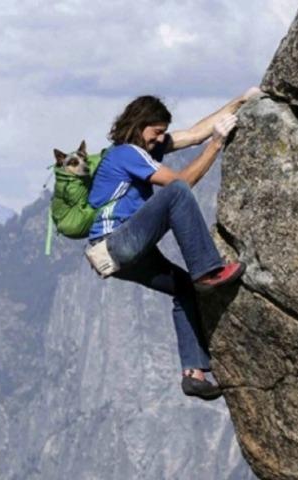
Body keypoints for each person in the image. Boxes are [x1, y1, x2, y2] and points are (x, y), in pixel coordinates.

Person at [87, 87, 260, 400]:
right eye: (156, 132)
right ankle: (208, 271)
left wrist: (241, 101)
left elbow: (194, 134)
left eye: (163, 133)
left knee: (184, 288)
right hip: (116, 242)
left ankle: (193, 373)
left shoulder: (145, 150)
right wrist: (217, 145)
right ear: (139, 127)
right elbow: (182, 183)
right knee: (177, 192)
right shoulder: (127, 153)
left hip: (119, 257)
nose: (159, 139)